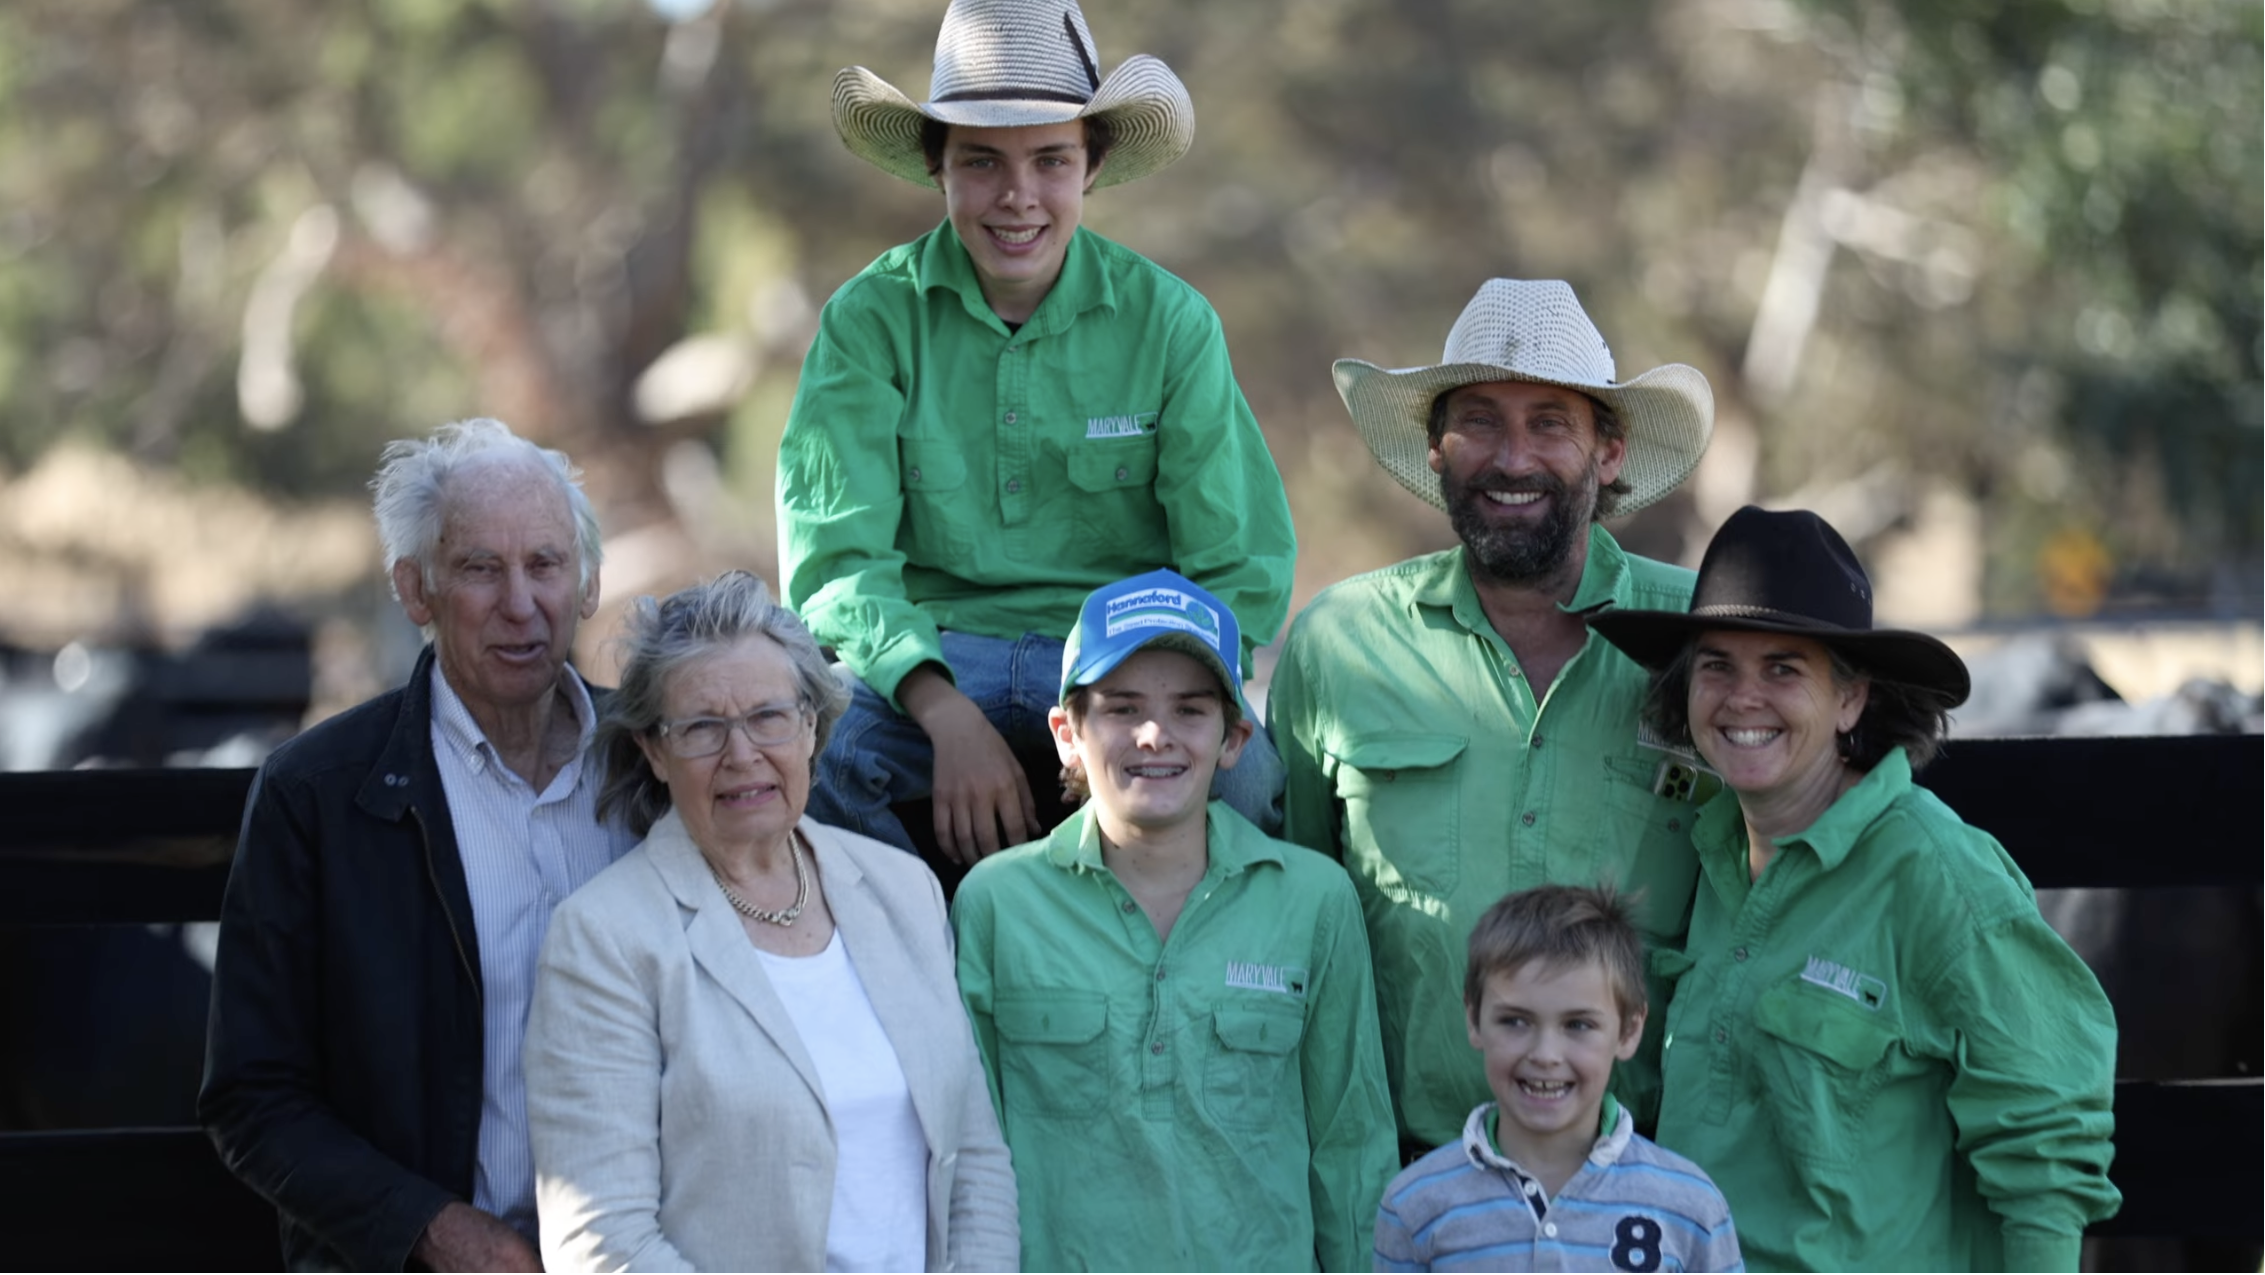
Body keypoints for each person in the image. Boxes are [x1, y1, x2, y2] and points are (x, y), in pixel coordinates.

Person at [781, 0, 1297, 863]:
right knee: (817, 750)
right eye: (981, 161)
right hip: (932, 657)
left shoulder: (1170, 323)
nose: (1016, 196)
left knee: (1245, 782)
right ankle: (916, 964)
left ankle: (1180, 983)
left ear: (1090, 165)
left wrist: (1154, 708)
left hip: (1126, 656)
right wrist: (945, 713)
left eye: (1049, 159)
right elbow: (836, 564)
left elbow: (1233, 564)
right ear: (934, 164)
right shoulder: (869, 320)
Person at [1587, 505, 2122, 1270]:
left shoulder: (1936, 875)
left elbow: (2044, 1149)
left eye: (1782, 668)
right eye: (1717, 665)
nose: (1743, 698)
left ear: (1849, 698)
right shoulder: (1701, 857)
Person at [1268, 278, 1716, 1151]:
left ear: (1608, 451)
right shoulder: (1338, 641)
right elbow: (1298, 914)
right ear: (1435, 448)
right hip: (1396, 1172)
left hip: (1649, 1178)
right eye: (1478, 420)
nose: (1512, 458)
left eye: (1550, 422)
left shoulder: (1702, 642)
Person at [200, 418, 635, 1271]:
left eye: (546, 564)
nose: (521, 603)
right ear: (414, 590)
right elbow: (252, 1095)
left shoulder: (662, 767)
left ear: (585, 585)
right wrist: (436, 1230)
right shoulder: (316, 795)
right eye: (480, 568)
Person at [524, 571, 1018, 1272]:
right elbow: (601, 1242)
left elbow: (975, 1162)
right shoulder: (604, 938)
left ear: (812, 724)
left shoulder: (903, 888)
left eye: (768, 716)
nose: (742, 754)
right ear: (654, 750)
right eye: (701, 726)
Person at [951, 569, 1398, 1271]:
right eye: (1121, 708)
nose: (1154, 734)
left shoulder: (1314, 898)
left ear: (1233, 737)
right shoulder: (994, 904)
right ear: (1068, 733)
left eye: (1190, 710)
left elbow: (1350, 1148)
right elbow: (968, 1152)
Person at [1375, 885, 1743, 1273]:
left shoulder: (1690, 1206)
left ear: (1629, 1030)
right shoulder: (1414, 1204)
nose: (1545, 1055)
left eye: (1578, 1025)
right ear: (1473, 1017)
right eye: (1515, 1021)